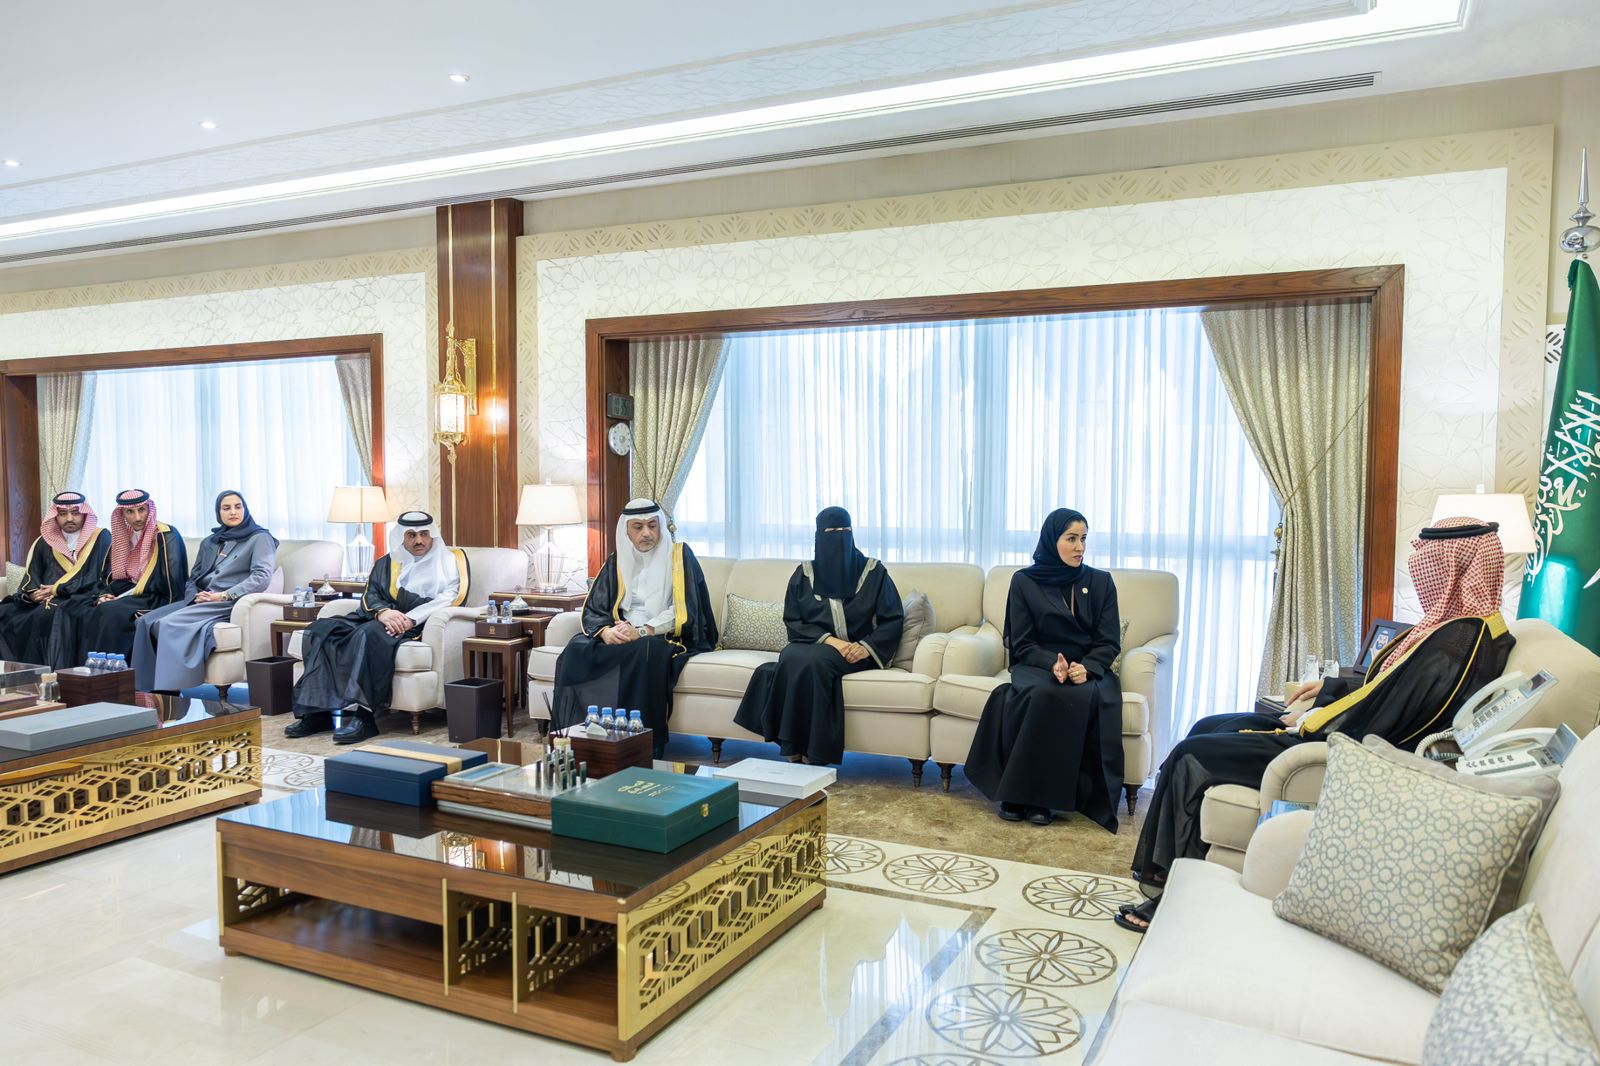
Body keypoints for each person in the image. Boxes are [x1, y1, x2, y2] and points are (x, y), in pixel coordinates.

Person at [1118, 517, 1516, 933]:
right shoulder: (1458, 629)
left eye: (1427, 563)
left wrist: (1313, 720)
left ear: (1453, 566)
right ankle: (1186, 880)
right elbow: (1387, 689)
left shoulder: (1458, 642)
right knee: (1208, 725)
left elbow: (1387, 717)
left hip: (1341, 747)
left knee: (1191, 755)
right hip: (1341, 727)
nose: (1419, 574)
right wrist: (1330, 688)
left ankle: (1175, 900)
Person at [963, 508, 1124, 830]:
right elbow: (1022, 643)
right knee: (1041, 693)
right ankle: (1018, 794)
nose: (1080, 547)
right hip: (1037, 662)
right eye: (1071, 539)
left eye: (1083, 539)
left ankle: (1040, 799)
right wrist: (1052, 664)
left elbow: (1108, 641)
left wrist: (1087, 668)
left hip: (1086, 667)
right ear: (1052, 540)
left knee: (1070, 697)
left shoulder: (1101, 582)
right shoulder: (1025, 581)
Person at [733, 506, 904, 765]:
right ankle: (796, 747)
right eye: (831, 531)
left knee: (810, 662)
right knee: (791, 655)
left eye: (845, 531)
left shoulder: (873, 573)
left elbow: (893, 619)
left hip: (856, 652)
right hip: (816, 645)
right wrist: (832, 641)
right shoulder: (804, 574)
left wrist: (865, 647)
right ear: (818, 537)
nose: (839, 537)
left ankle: (811, 751)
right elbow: (793, 620)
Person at [551, 498, 717, 756]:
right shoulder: (617, 561)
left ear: (660, 527)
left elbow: (684, 609)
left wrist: (641, 631)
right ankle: (577, 737)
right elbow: (596, 607)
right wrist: (606, 632)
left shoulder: (680, 556)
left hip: (661, 633)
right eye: (638, 527)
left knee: (646, 651)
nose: (646, 533)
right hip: (622, 631)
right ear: (626, 531)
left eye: (652, 525)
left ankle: (642, 743)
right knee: (577, 647)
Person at [286, 511, 468, 743]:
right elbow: (370, 594)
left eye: (424, 534)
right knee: (320, 629)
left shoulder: (452, 561)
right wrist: (383, 612)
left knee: (368, 635)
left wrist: (410, 619)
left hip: (417, 624)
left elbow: (452, 597)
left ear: (432, 535)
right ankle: (318, 714)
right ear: (401, 537)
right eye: (411, 535)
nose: (419, 540)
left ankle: (365, 717)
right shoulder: (388, 562)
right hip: (381, 618)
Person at [132, 490, 277, 694]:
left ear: (245, 509)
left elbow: (261, 577)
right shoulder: (210, 541)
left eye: (238, 507)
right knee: (144, 622)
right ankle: (142, 690)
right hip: (201, 599)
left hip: (228, 601)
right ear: (218, 512)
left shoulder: (260, 538)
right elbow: (194, 577)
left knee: (168, 624)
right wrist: (195, 595)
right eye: (226, 508)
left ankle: (169, 691)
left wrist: (223, 595)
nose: (233, 512)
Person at [0, 492, 113, 668]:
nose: (69, 518)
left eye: (75, 512)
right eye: (62, 513)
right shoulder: (44, 541)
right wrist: (33, 595)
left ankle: (55, 674)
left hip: (83, 597)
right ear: (55, 515)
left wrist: (59, 588)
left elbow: (102, 575)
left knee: (53, 613)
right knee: (5, 613)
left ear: (84, 513)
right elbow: (32, 576)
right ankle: (17, 674)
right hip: (44, 600)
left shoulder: (100, 537)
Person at [79, 489, 188, 664]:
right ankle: (93, 669)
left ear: (149, 509)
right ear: (122, 514)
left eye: (141, 510)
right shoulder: (125, 535)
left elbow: (170, 581)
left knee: (111, 613)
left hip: (159, 597)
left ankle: (116, 672)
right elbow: (114, 576)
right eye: (130, 512)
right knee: (87, 608)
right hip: (133, 593)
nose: (137, 518)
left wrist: (121, 597)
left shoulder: (166, 534)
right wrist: (106, 594)